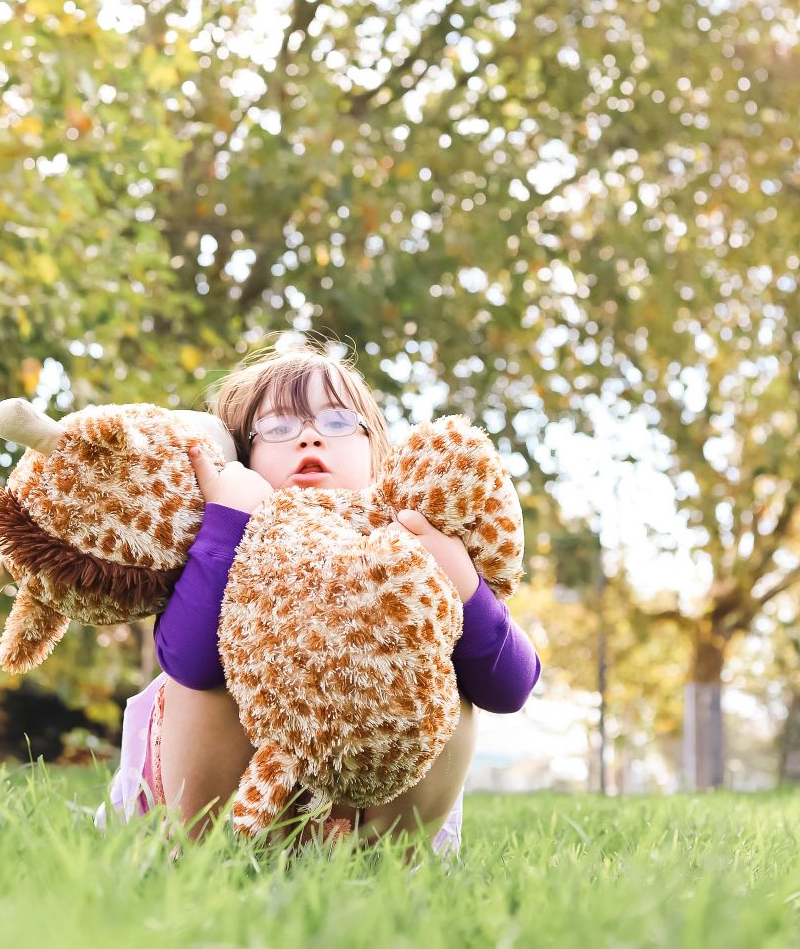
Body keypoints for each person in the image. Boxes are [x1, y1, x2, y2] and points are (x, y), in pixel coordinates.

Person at [100, 340, 541, 857]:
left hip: (360, 810)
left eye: (336, 422)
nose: (309, 436)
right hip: (222, 796)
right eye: (278, 428)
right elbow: (189, 666)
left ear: (378, 452)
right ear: (242, 457)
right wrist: (230, 521)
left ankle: (380, 865)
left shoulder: (409, 543)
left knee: (448, 679)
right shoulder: (225, 531)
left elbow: (510, 689)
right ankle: (204, 857)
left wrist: (463, 584)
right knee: (209, 676)